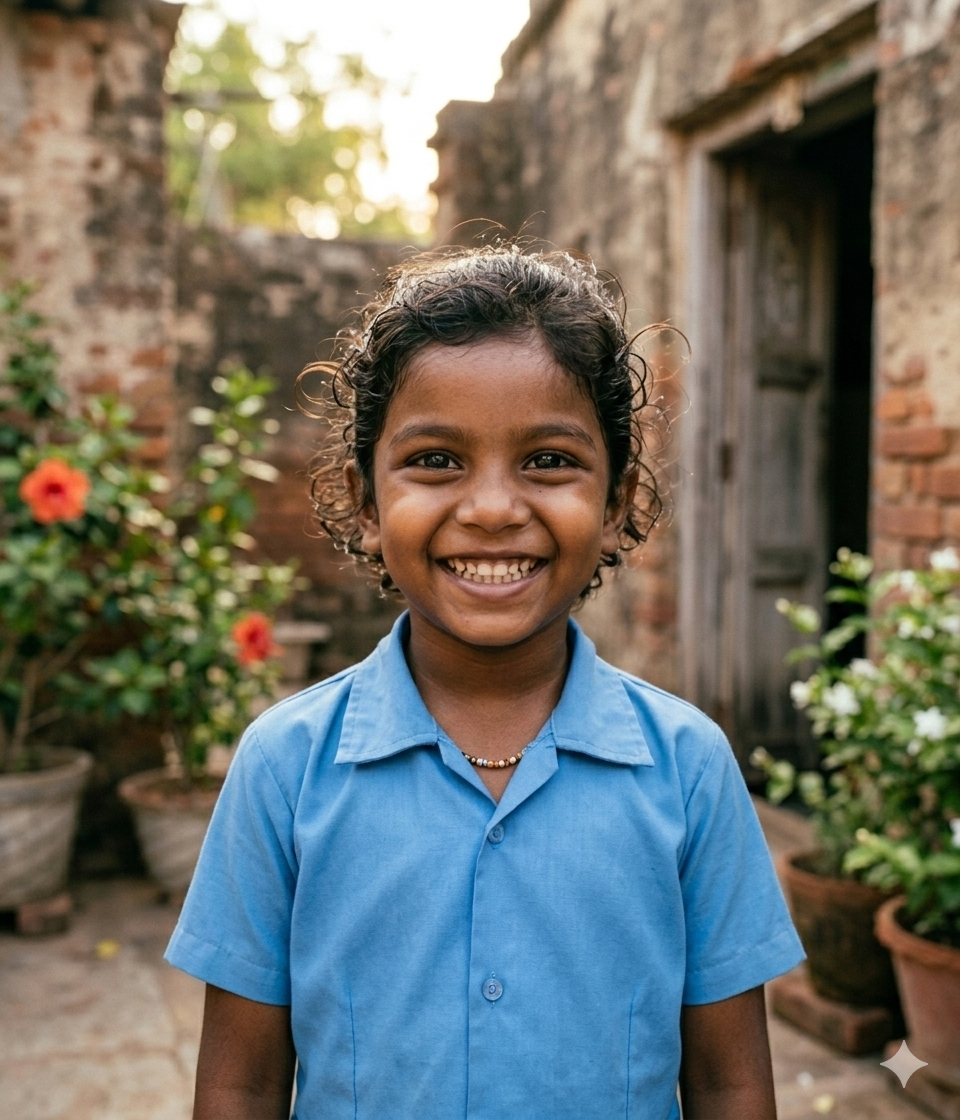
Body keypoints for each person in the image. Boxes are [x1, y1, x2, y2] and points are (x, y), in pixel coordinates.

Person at [165, 246, 804, 1120]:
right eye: (436, 461)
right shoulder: (285, 767)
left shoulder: (688, 768)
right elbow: (240, 1086)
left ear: (617, 501)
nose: (494, 509)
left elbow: (730, 1084)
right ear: (366, 501)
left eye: (548, 460)